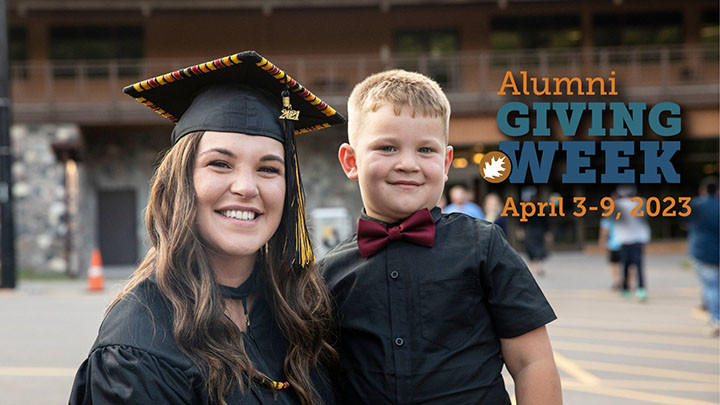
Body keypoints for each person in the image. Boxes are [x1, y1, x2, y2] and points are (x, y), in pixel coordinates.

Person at [69, 51, 346, 404]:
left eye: (269, 169)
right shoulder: (139, 344)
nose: (247, 187)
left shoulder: (299, 311)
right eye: (219, 163)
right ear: (181, 181)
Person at [321, 70, 561, 404]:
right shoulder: (326, 275)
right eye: (387, 147)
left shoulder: (483, 246)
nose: (408, 164)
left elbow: (532, 362)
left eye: (425, 150)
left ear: (446, 162)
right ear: (351, 161)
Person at [687, 177, 719, 336]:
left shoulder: (696, 205)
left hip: (703, 251)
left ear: (703, 190)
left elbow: (684, 221)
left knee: (711, 286)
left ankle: (716, 319)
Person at [614, 185, 651, 301]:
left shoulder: (617, 204)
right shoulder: (641, 202)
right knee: (638, 265)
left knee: (625, 265)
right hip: (638, 238)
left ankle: (626, 288)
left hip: (625, 239)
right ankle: (641, 289)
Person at [599, 191, 622, 290]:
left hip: (614, 243)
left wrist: (602, 240)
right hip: (626, 242)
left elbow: (605, 229)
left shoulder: (609, 211)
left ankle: (617, 282)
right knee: (628, 264)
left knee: (614, 263)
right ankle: (627, 283)